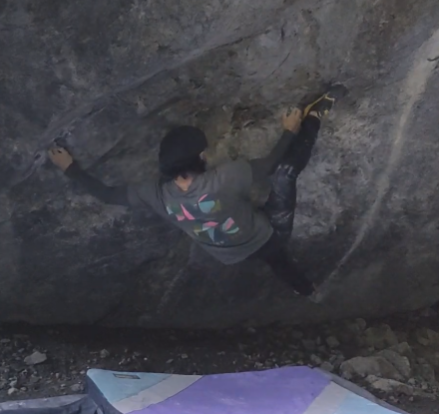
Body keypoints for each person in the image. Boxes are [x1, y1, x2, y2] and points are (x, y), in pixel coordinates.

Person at [48, 86, 347, 297]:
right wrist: (289, 130)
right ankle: (313, 119)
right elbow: (271, 164)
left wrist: (69, 168)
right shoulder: (224, 178)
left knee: (274, 259)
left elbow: (106, 195)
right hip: (265, 234)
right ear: (201, 158)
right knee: (285, 181)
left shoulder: (156, 194)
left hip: (230, 254)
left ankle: (304, 289)